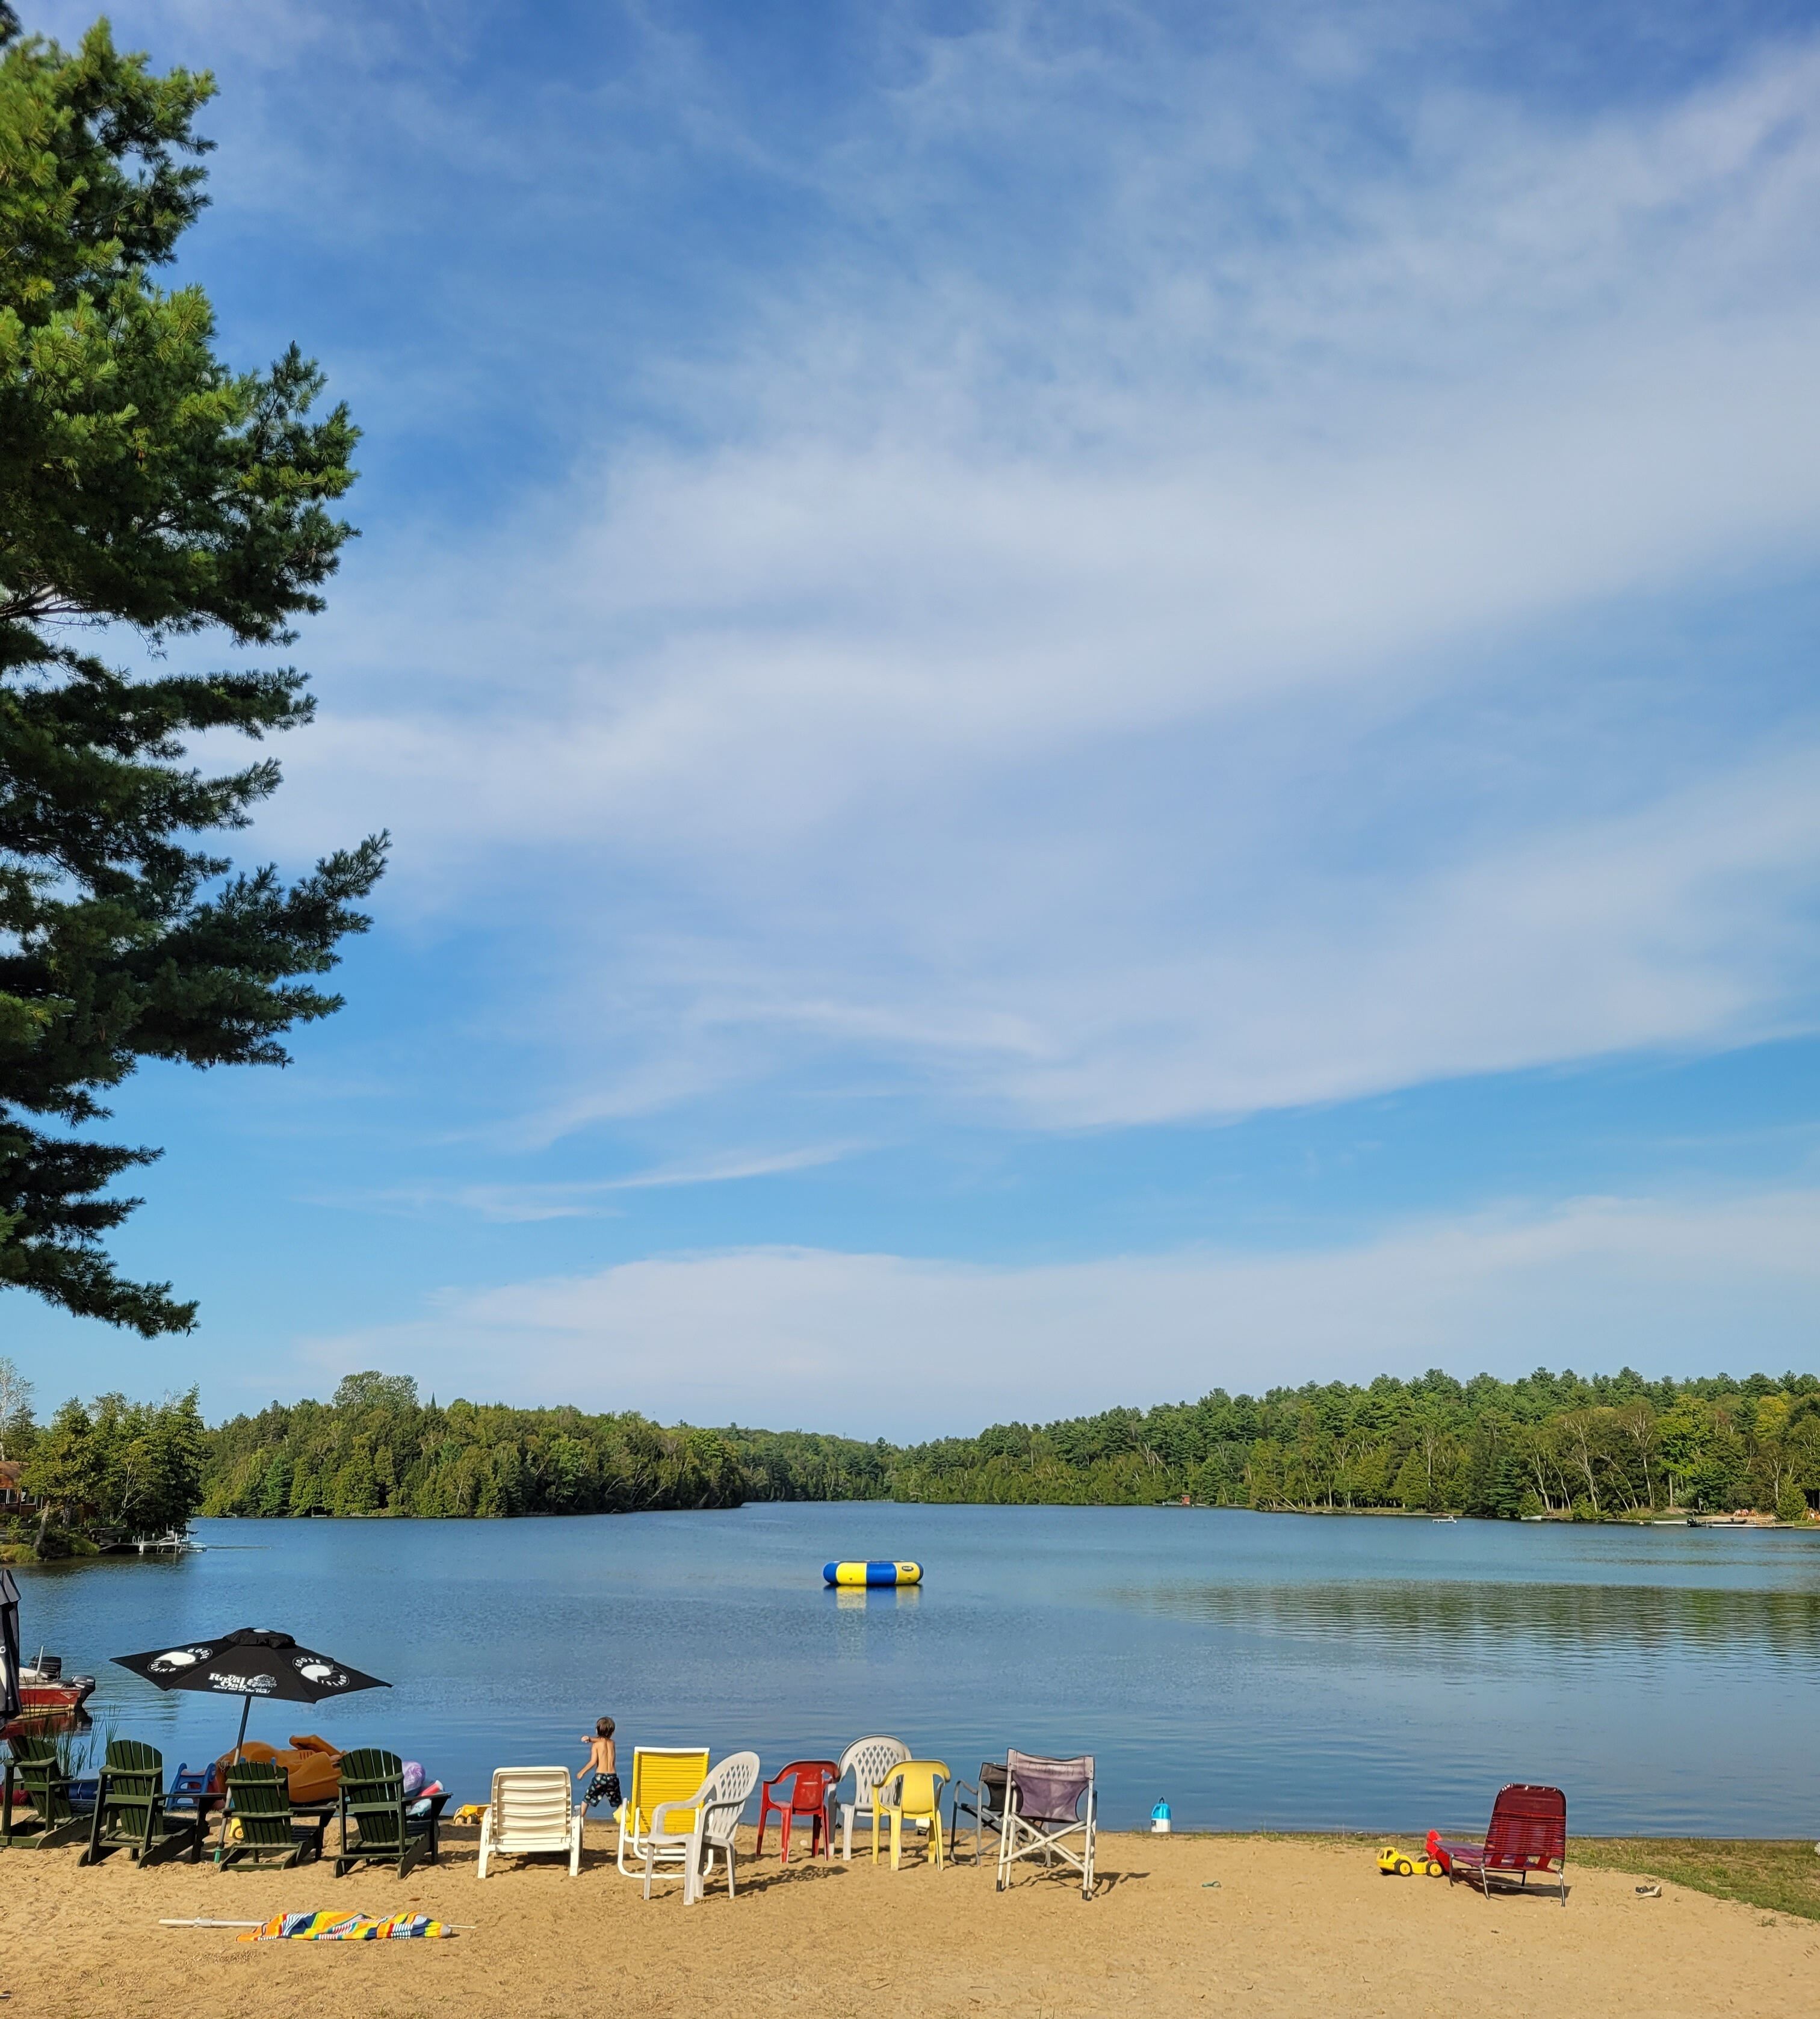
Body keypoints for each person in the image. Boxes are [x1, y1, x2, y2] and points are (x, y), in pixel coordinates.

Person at [580, 1716, 621, 1813]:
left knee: (586, 1800)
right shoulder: (612, 1744)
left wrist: (582, 1772)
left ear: (597, 1731)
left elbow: (593, 1762)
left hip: (600, 1777)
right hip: (612, 1777)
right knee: (618, 1802)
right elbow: (604, 1741)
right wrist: (590, 1739)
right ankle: (626, 1822)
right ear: (613, 1732)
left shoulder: (596, 1745)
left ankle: (579, 1819)